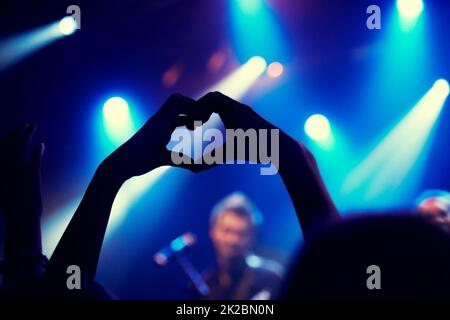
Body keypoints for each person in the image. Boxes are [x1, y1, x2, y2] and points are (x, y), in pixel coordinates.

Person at [203, 192, 282, 300]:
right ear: (213, 232)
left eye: (242, 233)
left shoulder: (270, 279)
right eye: (227, 231)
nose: (233, 240)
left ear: (253, 237)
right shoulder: (206, 283)